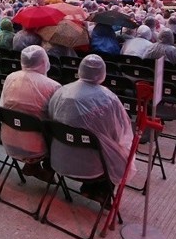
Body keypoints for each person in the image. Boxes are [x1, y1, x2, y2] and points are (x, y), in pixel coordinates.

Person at [46, 54, 135, 202]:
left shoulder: (61, 92)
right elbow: (120, 134)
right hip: (93, 169)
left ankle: (91, 188)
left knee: (93, 143)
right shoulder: (108, 99)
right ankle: (100, 191)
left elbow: (51, 118)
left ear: (80, 70)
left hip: (59, 159)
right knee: (118, 151)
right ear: (102, 73)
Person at [0, 45, 62, 180]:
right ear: (44, 61)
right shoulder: (53, 86)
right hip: (36, 146)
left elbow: (2, 106)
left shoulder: (11, 78)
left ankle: (33, 166)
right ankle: (48, 167)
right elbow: (57, 120)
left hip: (9, 140)